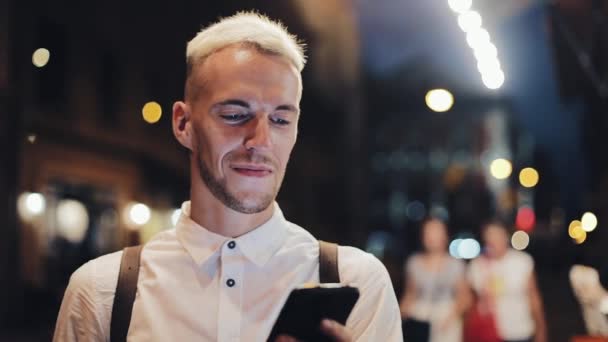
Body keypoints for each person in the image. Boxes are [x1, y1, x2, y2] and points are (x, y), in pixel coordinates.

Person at [52, 12, 402, 342]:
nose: (260, 141)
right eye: (235, 114)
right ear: (183, 124)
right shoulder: (101, 291)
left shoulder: (357, 281)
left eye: (280, 120)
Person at [468, 220, 547, 342]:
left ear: (506, 236)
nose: (494, 241)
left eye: (497, 235)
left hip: (520, 332)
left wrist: (541, 331)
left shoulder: (522, 261)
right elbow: (471, 301)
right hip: (488, 333)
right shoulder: (477, 265)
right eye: (490, 236)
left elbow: (534, 297)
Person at [400, 218, 471, 342]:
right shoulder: (414, 262)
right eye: (428, 232)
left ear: (445, 235)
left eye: (436, 231)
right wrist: (396, 317)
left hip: (446, 323)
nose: (432, 236)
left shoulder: (455, 264)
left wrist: (450, 317)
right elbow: (410, 295)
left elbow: (465, 297)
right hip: (419, 322)